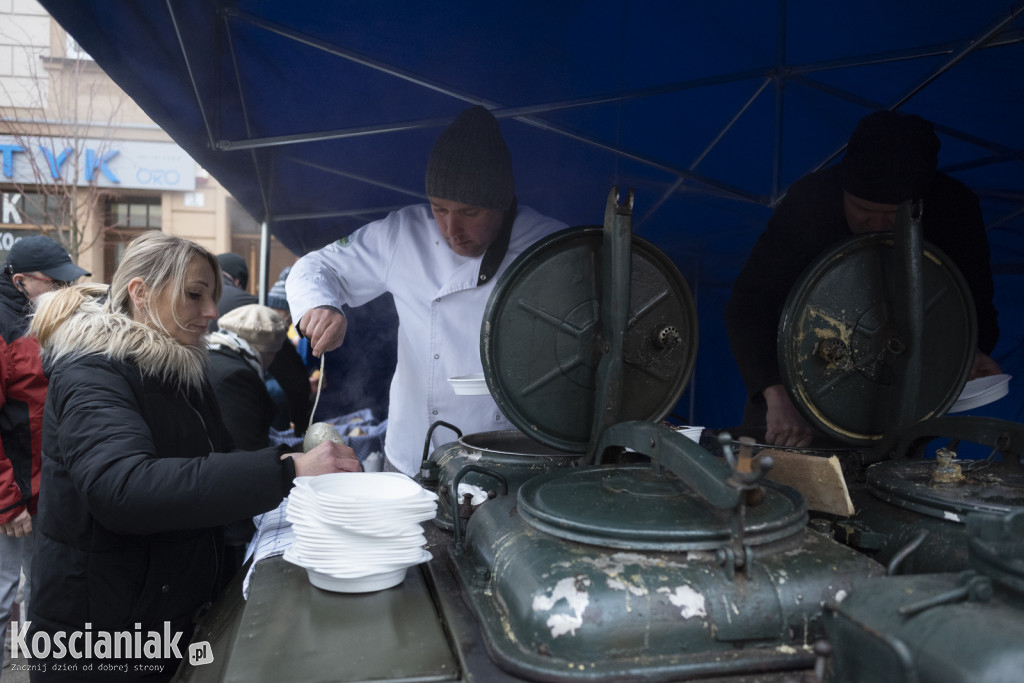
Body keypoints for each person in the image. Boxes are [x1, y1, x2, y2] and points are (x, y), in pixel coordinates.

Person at [25, 232, 359, 681]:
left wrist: (299, 457)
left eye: (213, 297)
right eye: (194, 294)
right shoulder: (91, 371)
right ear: (141, 293)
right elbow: (122, 487)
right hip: (102, 634)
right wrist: (287, 468)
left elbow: (211, 468)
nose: (211, 312)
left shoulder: (180, 365)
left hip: (161, 614)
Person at [288, 105, 568, 475]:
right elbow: (315, 266)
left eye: (469, 213)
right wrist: (323, 305)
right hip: (411, 456)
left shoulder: (553, 246)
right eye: (439, 209)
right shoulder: (402, 235)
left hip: (509, 457)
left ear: (502, 203)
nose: (451, 228)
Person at [725, 110, 1000, 448]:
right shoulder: (810, 203)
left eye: (893, 215)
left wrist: (969, 352)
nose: (877, 225)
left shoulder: (955, 210)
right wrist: (774, 394)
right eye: (863, 211)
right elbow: (751, 303)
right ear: (843, 191)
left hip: (895, 404)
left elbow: (974, 305)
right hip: (793, 396)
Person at [0, 235, 89, 675]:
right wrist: (8, 502)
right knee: (3, 596)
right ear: (20, 281)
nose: (65, 290)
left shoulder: (55, 316)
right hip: (13, 495)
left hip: (46, 487)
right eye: (56, 283)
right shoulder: (3, 330)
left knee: (44, 592)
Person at [206, 304, 291, 586]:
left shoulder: (214, 355)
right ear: (266, 352)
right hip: (224, 520)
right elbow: (245, 453)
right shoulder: (236, 376)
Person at [214, 253, 313, 436]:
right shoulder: (252, 310)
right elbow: (294, 378)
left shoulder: (204, 296)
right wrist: (302, 427)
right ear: (238, 282)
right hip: (239, 415)